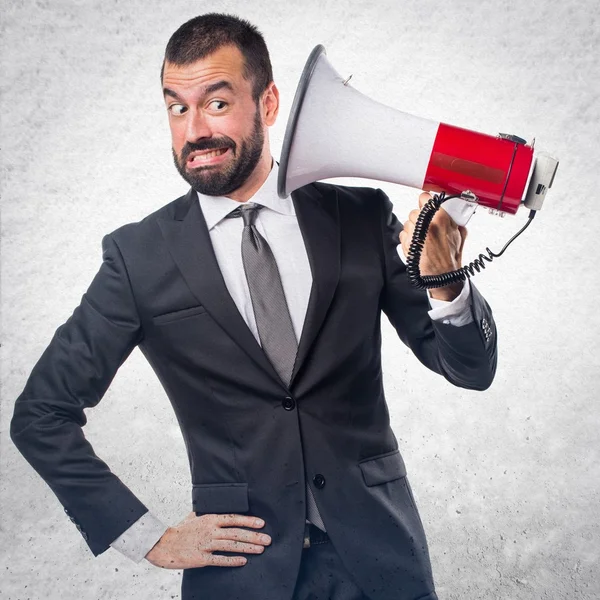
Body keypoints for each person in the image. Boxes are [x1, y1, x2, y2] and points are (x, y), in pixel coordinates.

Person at [10, 13, 497, 600]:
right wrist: (145, 537)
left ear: (267, 103)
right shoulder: (137, 257)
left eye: (215, 103)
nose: (193, 131)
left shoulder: (360, 217)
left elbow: (470, 370)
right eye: (176, 107)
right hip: (239, 578)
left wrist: (445, 282)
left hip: (380, 563)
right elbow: (41, 413)